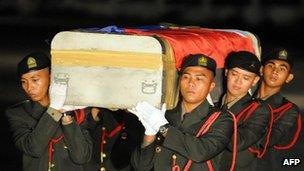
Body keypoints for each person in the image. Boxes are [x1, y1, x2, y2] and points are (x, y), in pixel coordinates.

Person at [130, 54, 234, 171]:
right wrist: (149, 135)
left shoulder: (221, 119)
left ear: (211, 86)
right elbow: (140, 166)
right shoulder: (164, 114)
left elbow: (201, 152)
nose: (191, 83)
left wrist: (163, 127)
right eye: (186, 77)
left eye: (199, 78)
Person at [5, 52, 92, 171]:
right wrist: (55, 108)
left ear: (51, 77)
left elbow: (81, 157)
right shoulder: (18, 113)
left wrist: (67, 118)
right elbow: (34, 148)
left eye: (35, 80)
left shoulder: (78, 111)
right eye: (24, 82)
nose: (29, 88)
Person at [218, 51, 270, 171]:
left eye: (246, 78)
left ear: (255, 80)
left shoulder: (258, 111)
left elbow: (236, 144)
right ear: (226, 72)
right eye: (234, 74)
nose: (238, 81)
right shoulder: (215, 106)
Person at [254, 48, 302, 170]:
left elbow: (267, 140)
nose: (275, 71)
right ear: (261, 70)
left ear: (289, 77)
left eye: (282, 69)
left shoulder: (289, 110)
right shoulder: (244, 102)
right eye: (271, 65)